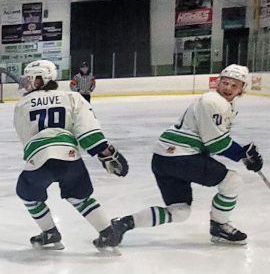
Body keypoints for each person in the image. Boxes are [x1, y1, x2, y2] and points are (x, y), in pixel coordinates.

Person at [103, 64, 261, 246]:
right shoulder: (214, 101)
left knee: (179, 212)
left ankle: (123, 224)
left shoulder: (222, 103)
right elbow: (216, 143)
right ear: (218, 83)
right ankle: (220, 227)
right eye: (225, 83)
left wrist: (243, 154)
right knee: (232, 181)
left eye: (234, 85)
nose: (228, 88)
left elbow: (213, 139)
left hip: (163, 158)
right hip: (180, 157)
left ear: (241, 89)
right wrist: (243, 154)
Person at [11, 59, 128, 250]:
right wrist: (105, 153)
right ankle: (108, 233)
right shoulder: (72, 97)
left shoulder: (22, 104)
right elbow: (87, 130)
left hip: (40, 158)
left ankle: (50, 232)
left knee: (27, 192)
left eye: (31, 79)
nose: (27, 83)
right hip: (70, 157)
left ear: (41, 79)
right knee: (80, 197)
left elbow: (26, 137)